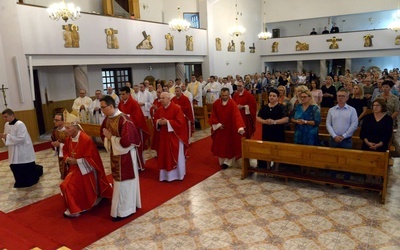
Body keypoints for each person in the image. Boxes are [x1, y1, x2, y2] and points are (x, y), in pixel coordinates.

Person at [60, 110, 112, 218]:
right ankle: (75, 205)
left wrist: (77, 161)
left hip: (86, 169)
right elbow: (65, 151)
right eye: (65, 128)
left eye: (68, 128)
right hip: (74, 168)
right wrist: (67, 158)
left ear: (75, 127)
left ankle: (78, 207)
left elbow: (91, 158)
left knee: (68, 185)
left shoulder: (85, 139)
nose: (65, 130)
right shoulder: (69, 138)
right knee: (65, 184)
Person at [100, 95, 142, 221]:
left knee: (124, 184)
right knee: (118, 183)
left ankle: (125, 210)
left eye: (103, 107)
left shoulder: (124, 120)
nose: (102, 110)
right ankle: (120, 208)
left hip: (126, 156)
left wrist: (110, 138)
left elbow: (127, 142)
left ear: (111, 106)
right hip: (116, 154)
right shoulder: (108, 119)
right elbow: (103, 134)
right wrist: (109, 139)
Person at [1, 109, 42, 188]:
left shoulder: (20, 124)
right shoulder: (6, 125)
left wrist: (7, 137)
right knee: (15, 165)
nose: (4, 119)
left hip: (22, 148)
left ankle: (30, 181)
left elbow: (21, 138)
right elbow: (5, 135)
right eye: (3, 117)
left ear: (12, 115)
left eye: (6, 116)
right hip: (13, 149)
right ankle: (20, 182)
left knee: (25, 165)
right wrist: (4, 137)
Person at [153, 92, 189, 181]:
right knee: (164, 155)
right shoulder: (160, 110)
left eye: (163, 98)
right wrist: (158, 122)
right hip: (163, 137)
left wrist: (167, 122)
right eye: (160, 98)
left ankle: (178, 175)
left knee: (175, 155)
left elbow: (180, 123)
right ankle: (165, 176)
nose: (160, 100)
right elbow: (155, 120)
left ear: (169, 99)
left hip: (174, 137)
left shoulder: (176, 109)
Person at [209, 88, 245, 169]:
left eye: (226, 95)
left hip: (230, 128)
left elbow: (237, 115)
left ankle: (228, 162)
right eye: (223, 95)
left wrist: (240, 127)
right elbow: (213, 115)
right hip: (220, 129)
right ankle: (222, 161)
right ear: (220, 95)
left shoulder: (232, 104)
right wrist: (218, 124)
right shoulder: (216, 103)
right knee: (221, 145)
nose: (224, 97)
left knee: (230, 145)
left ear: (229, 95)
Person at [118, 86, 150, 170]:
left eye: (123, 94)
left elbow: (138, 117)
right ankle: (131, 166)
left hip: (135, 129)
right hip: (125, 129)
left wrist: (126, 116)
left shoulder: (134, 103)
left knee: (136, 147)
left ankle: (139, 166)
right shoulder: (121, 103)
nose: (122, 96)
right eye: (121, 94)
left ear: (128, 94)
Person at [256, 89, 289, 170]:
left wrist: (274, 122)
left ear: (277, 98)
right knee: (267, 149)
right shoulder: (264, 107)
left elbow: (286, 119)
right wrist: (265, 121)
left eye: (274, 96)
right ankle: (268, 166)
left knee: (277, 150)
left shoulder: (281, 107)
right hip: (267, 131)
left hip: (278, 132)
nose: (271, 97)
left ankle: (276, 168)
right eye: (270, 96)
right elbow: (258, 117)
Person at [51, 112, 68, 179]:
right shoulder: (54, 131)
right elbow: (53, 139)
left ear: (63, 121)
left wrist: (60, 144)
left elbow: (71, 143)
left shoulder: (67, 131)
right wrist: (55, 145)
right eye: (54, 120)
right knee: (61, 166)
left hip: (68, 153)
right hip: (60, 153)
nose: (55, 122)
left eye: (57, 120)